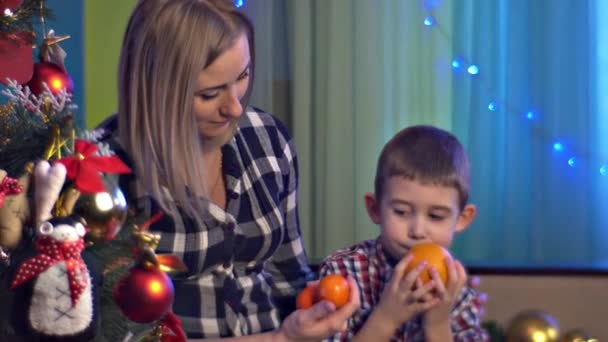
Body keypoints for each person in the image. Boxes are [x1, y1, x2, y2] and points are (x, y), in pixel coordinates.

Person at [98, 0, 359, 340]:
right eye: (209, 94)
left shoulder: (268, 139)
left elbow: (290, 281)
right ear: (157, 91)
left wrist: (325, 311)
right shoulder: (107, 173)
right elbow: (116, 332)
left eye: (243, 76)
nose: (235, 106)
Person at [319, 125, 488, 341]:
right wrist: (387, 317)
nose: (417, 232)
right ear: (375, 209)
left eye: (436, 216)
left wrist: (437, 323)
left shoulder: (457, 291)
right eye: (401, 212)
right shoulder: (342, 274)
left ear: (462, 219)